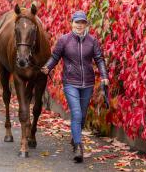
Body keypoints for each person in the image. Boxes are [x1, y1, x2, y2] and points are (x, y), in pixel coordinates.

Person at [41, 10, 109, 163]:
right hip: (70, 82)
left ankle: (75, 136)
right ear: (72, 23)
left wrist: (104, 76)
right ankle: (78, 147)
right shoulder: (64, 40)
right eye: (77, 22)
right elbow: (55, 57)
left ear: (86, 25)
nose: (79, 25)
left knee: (82, 116)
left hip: (88, 83)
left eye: (82, 23)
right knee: (76, 114)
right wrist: (47, 67)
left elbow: (99, 59)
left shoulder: (92, 41)